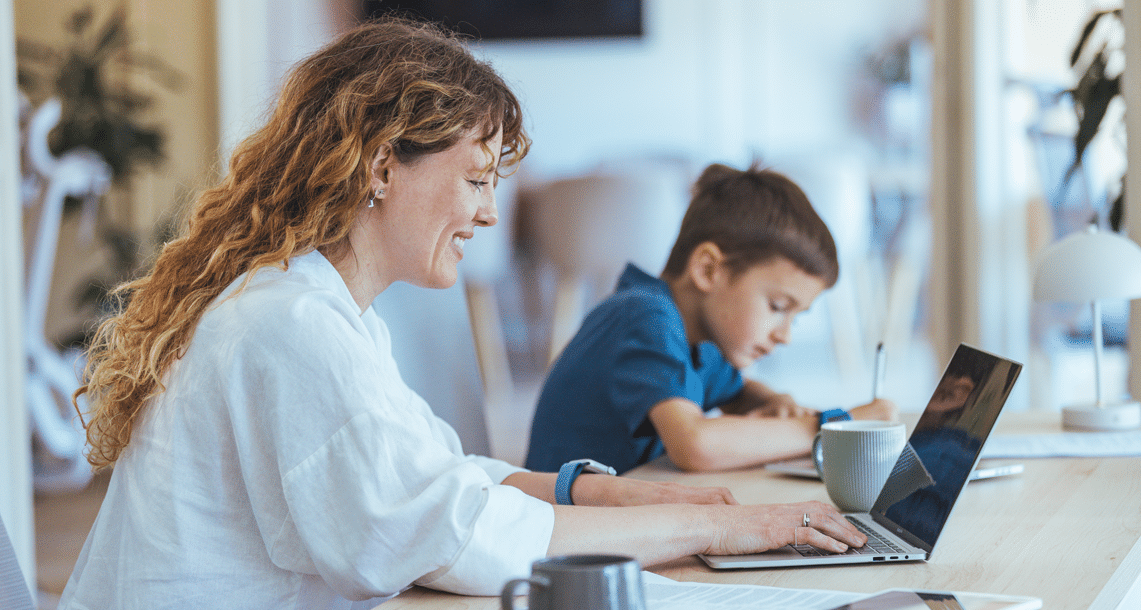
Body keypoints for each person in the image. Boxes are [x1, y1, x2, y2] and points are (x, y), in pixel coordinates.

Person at [57, 19, 866, 610]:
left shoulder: (325, 312)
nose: (487, 214)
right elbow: (445, 537)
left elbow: (436, 479)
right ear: (381, 166)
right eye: (476, 180)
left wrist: (604, 495)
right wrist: (722, 532)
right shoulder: (289, 327)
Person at [525, 163, 898, 475]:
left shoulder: (699, 342)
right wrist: (832, 426)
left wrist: (772, 399)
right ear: (708, 269)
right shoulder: (645, 318)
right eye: (778, 307)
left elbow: (737, 393)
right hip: (564, 537)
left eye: (795, 318)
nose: (784, 335)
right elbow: (696, 444)